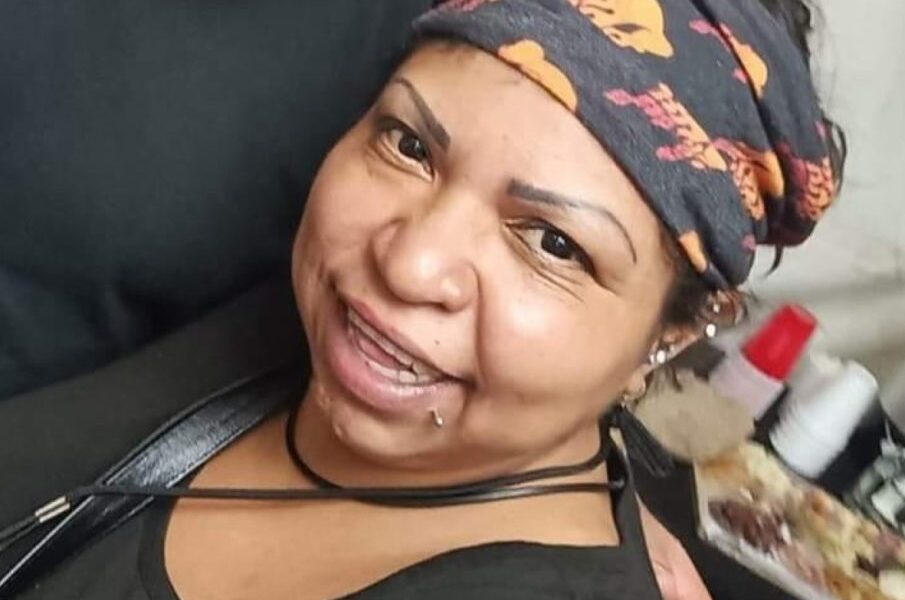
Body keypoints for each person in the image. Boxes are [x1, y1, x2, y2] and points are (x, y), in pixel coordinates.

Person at [0, 0, 844, 598]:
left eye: (553, 243)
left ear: (675, 329)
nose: (408, 263)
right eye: (408, 145)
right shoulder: (296, 326)